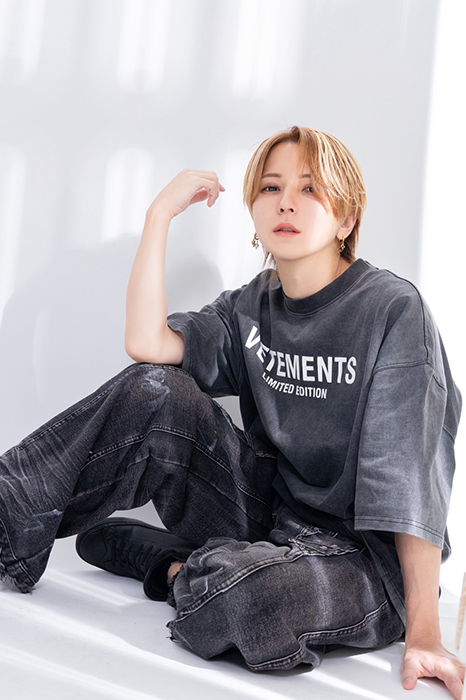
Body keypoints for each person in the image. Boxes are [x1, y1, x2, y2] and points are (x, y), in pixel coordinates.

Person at [0, 126, 464, 697]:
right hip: (270, 517)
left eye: (310, 189)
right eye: (271, 188)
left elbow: (409, 477)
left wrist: (424, 634)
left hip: (363, 559)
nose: (286, 202)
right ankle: (6, 522)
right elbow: (147, 345)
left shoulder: (392, 310)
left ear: (346, 220)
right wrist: (158, 215)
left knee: (251, 601)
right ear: (254, 211)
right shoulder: (249, 306)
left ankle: (174, 566)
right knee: (155, 390)